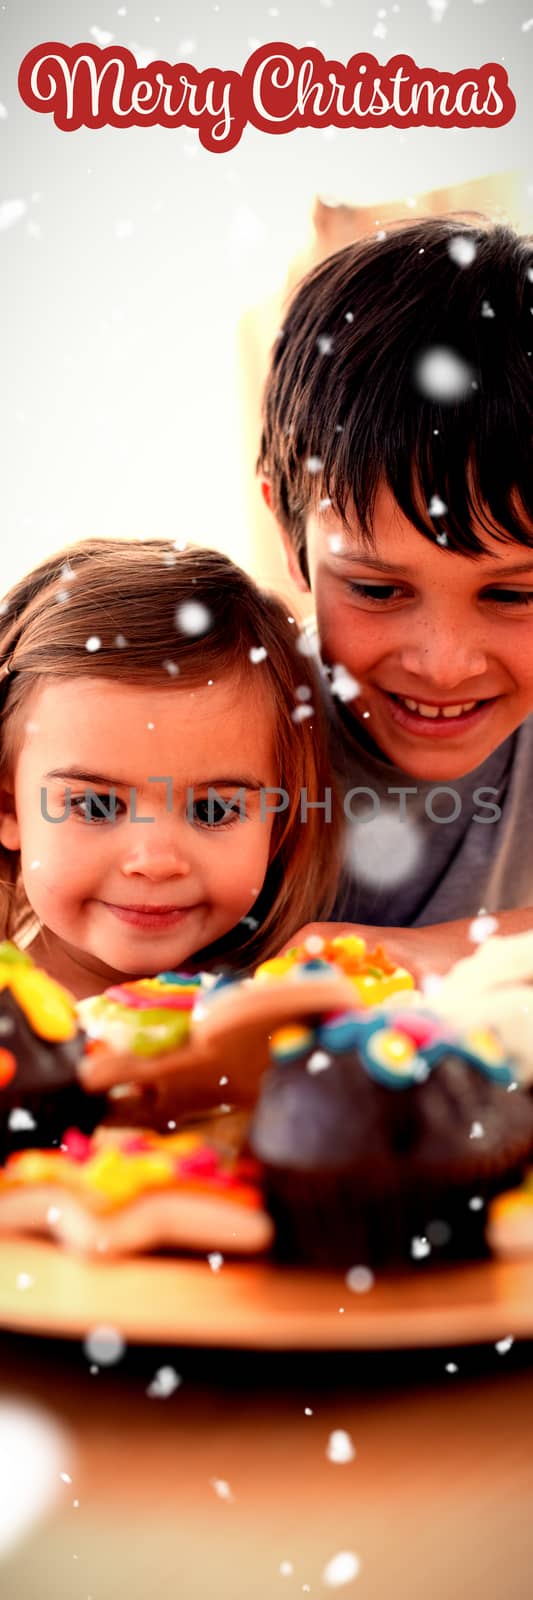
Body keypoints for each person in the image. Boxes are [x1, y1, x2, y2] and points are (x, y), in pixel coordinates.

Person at [258, 216, 533, 975]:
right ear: (290, 539)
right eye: (377, 588)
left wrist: (407, 958)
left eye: (513, 596)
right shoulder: (239, 722)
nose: (443, 665)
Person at [0, 537, 338, 999]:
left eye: (213, 811)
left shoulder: (301, 1005)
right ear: (9, 808)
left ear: (278, 819)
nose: (156, 863)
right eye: (97, 806)